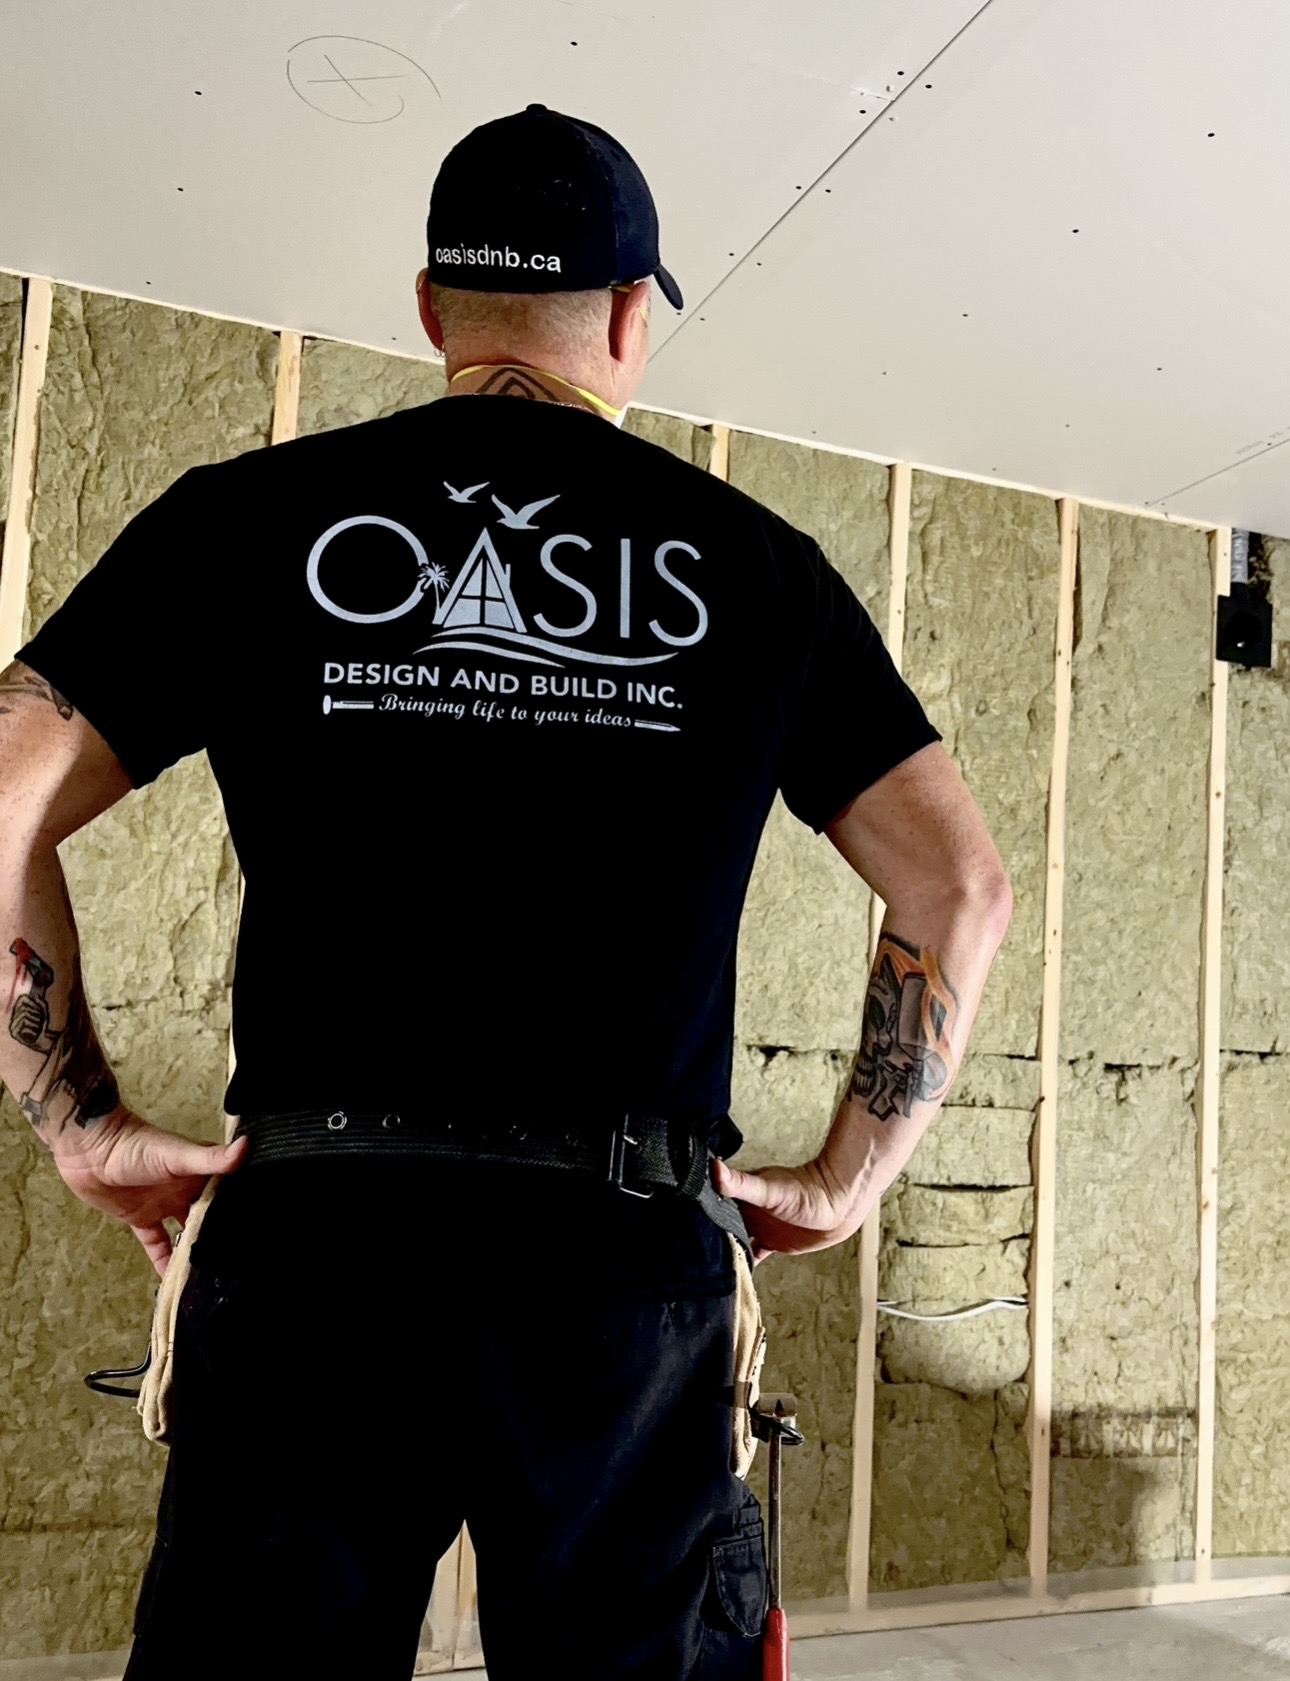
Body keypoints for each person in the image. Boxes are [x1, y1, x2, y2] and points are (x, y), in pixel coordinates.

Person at [0, 105, 1011, 1679]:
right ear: (629, 316)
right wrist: (845, 1176)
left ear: (430, 308)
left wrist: (77, 1118)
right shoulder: (755, 567)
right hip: (620, 1251)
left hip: (317, 1238)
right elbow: (959, 885)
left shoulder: (245, 520)